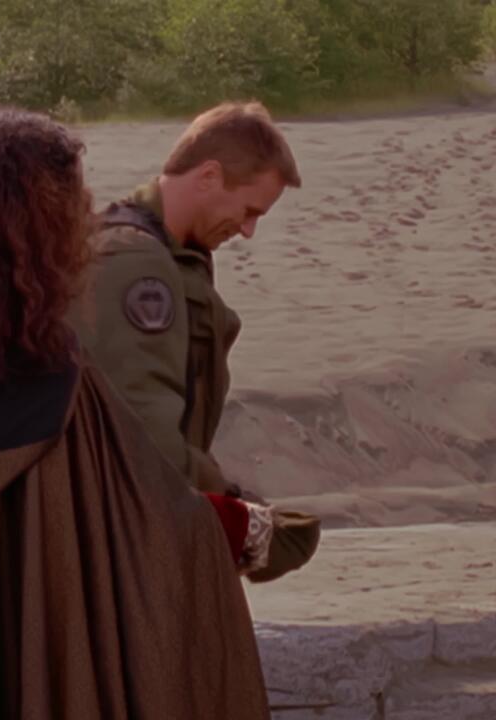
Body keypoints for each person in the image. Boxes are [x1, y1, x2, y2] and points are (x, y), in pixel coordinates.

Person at [0, 109, 271, 719]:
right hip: (24, 667)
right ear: (47, 224)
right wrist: (237, 526)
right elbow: (134, 523)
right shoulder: (51, 376)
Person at [71, 101, 319, 583]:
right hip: (119, 541)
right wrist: (237, 514)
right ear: (209, 176)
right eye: (249, 210)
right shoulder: (135, 263)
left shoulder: (164, 253)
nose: (247, 230)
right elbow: (143, 434)